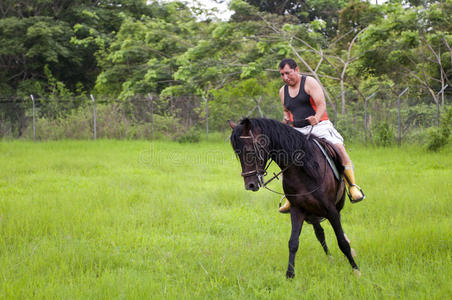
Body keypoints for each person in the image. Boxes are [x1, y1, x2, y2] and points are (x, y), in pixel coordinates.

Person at [278, 58, 364, 213]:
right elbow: (286, 113)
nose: (285, 77)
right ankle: (289, 198)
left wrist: (316, 118)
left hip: (319, 126)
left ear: (296, 70)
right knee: (285, 159)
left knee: (338, 148)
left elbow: (321, 104)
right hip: (297, 130)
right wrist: (282, 125)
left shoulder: (309, 82)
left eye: (288, 73)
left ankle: (352, 187)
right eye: (282, 74)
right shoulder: (282, 91)